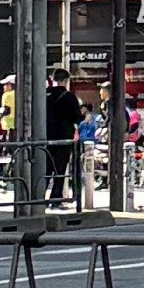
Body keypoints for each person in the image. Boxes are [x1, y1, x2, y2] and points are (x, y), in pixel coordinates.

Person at [44, 67, 83, 206]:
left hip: (46, 137)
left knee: (46, 169)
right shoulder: (69, 97)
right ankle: (55, 199)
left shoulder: (44, 95)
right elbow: (76, 118)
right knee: (60, 170)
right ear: (66, 81)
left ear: (52, 79)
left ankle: (38, 199)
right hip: (64, 138)